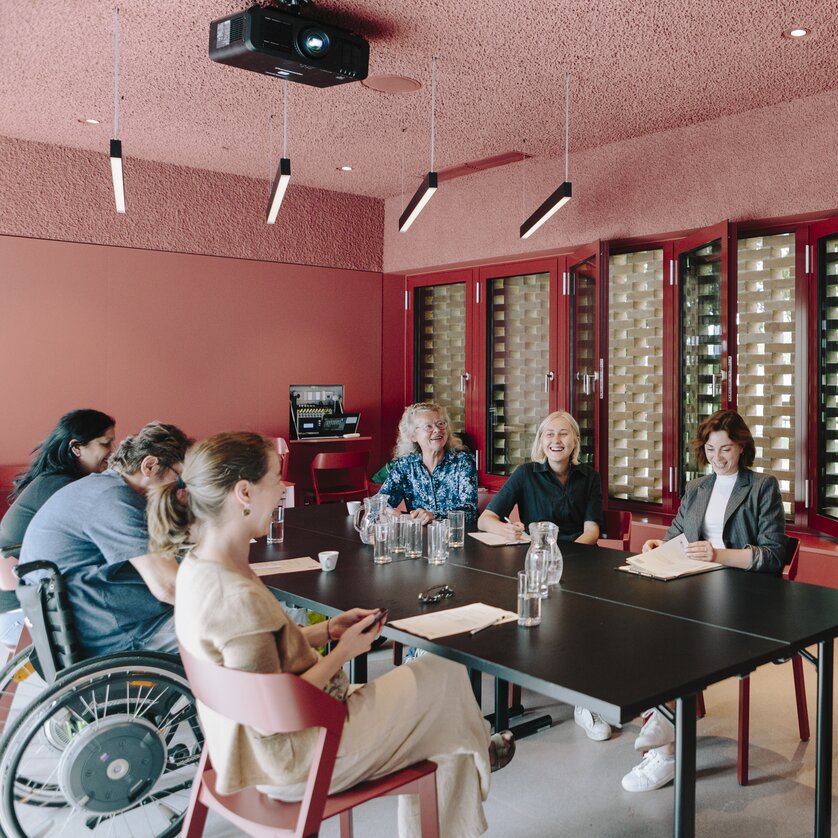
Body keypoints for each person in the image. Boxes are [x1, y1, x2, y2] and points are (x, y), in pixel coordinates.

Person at [148, 432, 513, 838]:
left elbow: (258, 664)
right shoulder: (235, 595)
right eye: (275, 479)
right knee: (446, 679)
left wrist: (326, 629)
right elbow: (273, 714)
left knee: (443, 705)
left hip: (243, 751)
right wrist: (343, 652)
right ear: (244, 492)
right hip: (299, 757)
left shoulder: (200, 569)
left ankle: (474, 743)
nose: (283, 488)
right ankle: (479, 743)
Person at [622, 409, 788, 793]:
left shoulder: (762, 486)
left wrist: (717, 554)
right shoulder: (697, 487)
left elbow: (772, 556)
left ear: (742, 446)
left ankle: (664, 744)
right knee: (643, 624)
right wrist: (658, 546)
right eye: (710, 449)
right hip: (697, 587)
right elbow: (677, 534)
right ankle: (665, 723)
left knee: (678, 634)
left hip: (744, 597)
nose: (717, 457)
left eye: (726, 448)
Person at [477, 410, 609, 742]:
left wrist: (564, 557)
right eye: (549, 434)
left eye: (563, 434)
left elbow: (592, 531)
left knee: (587, 619)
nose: (556, 441)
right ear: (541, 441)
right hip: (534, 564)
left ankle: (584, 701)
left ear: (575, 441)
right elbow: (486, 519)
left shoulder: (589, 477)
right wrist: (513, 533)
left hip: (578, 561)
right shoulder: (525, 474)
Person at [19, 421, 190, 658]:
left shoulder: (100, 488)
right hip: (124, 635)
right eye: (179, 477)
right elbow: (169, 587)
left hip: (95, 622)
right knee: (233, 632)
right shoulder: (114, 499)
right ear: (150, 465)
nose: (179, 487)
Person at [0, 409, 115, 646]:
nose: (111, 453)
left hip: (28, 598)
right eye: (105, 444)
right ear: (76, 447)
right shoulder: (60, 487)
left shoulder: (56, 480)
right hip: (20, 612)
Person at [377, 402, 478, 527]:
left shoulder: (462, 461)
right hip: (418, 538)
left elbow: (470, 512)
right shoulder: (405, 465)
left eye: (441, 424)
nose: (437, 430)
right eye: (428, 426)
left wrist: (434, 515)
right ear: (413, 435)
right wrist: (389, 513)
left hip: (456, 538)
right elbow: (381, 502)